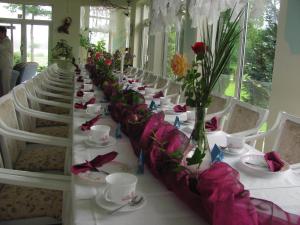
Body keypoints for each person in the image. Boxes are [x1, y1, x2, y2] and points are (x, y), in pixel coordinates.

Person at [0, 26, 13, 95]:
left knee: (6, 86)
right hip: (3, 67)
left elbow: (1, 48)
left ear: (3, 33)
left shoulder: (7, 41)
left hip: (7, 67)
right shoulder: (3, 41)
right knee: (3, 86)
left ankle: (8, 103)